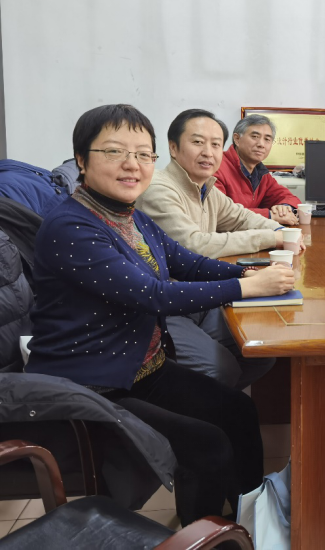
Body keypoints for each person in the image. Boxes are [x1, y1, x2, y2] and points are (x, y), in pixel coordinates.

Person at [25, 104, 297, 525]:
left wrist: (247, 273)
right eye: (114, 151)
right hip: (94, 383)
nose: (131, 164)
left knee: (239, 412)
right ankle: (206, 537)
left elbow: (187, 261)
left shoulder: (130, 215)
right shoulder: (72, 227)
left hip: (143, 367)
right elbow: (153, 295)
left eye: (142, 154)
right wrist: (248, 287)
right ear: (81, 159)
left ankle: (251, 516)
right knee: (207, 445)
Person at [136, 109, 297, 388]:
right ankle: (205, 402)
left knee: (262, 351)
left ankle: (215, 401)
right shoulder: (159, 187)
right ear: (173, 148)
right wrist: (272, 239)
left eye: (215, 144)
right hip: (168, 305)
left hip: (202, 295)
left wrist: (279, 231)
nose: (208, 152)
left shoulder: (206, 187)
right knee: (221, 369)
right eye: (198, 142)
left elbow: (241, 216)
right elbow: (194, 245)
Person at [214, 114, 301, 224]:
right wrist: (269, 215)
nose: (261, 144)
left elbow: (291, 198)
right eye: (255, 137)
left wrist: (284, 208)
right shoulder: (216, 166)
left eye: (267, 139)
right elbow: (219, 213)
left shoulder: (261, 173)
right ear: (237, 139)